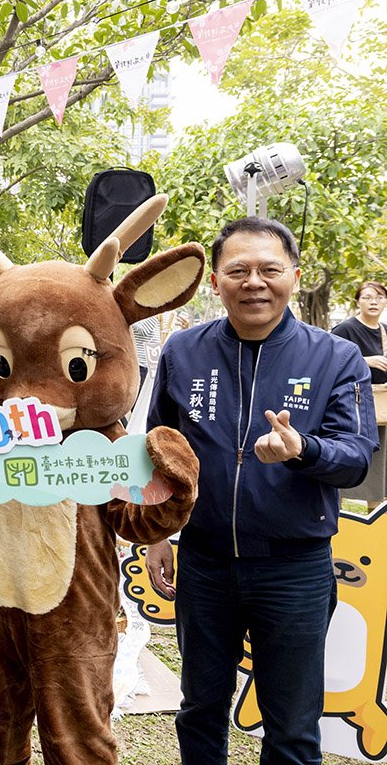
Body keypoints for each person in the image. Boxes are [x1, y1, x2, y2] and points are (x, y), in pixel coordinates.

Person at [145, 217, 377, 764]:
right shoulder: (184, 351)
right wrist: (156, 532)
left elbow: (356, 459)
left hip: (294, 569)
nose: (254, 282)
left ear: (293, 276)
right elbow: (157, 448)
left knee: (292, 725)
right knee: (199, 709)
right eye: (238, 270)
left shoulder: (336, 358)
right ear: (215, 281)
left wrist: (304, 451)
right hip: (204, 564)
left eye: (269, 269)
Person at [332, 281, 387, 510]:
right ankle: (336, 513)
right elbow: (329, 360)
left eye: (379, 297)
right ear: (357, 302)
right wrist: (366, 361)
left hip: (381, 406)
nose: (373, 302)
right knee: (351, 458)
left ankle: (375, 516)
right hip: (353, 407)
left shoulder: (384, 330)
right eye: (367, 297)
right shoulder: (346, 329)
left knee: (380, 464)